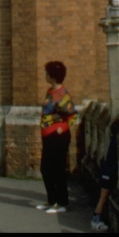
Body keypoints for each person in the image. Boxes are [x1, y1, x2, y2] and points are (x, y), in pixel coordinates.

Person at [34, 61, 76, 215]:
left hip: (58, 137)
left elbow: (72, 115)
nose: (45, 75)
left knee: (58, 169)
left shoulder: (63, 95)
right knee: (46, 168)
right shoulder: (50, 92)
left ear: (52, 76)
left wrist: (61, 128)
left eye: (46, 73)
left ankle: (62, 202)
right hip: (47, 136)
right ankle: (52, 199)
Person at [90, 125, 119, 231]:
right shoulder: (116, 142)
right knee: (103, 197)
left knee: (104, 197)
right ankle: (96, 220)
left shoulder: (113, 140)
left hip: (106, 171)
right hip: (107, 173)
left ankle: (98, 219)